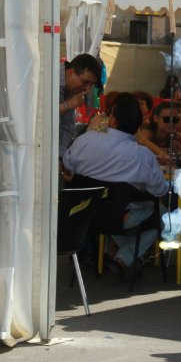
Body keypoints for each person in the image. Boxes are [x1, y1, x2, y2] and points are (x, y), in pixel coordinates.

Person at [62, 92, 167, 274]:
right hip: (118, 215)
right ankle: (124, 257)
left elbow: (68, 164)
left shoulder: (86, 139)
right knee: (163, 214)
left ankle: (118, 253)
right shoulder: (141, 155)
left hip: (82, 212)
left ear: (113, 120)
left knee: (118, 206)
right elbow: (160, 190)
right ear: (138, 126)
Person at [59, 53, 101, 157]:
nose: (87, 89)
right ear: (71, 72)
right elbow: (41, 118)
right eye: (85, 82)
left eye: (91, 85)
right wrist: (68, 105)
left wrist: (59, 157)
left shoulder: (72, 87)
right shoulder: (48, 78)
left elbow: (67, 126)